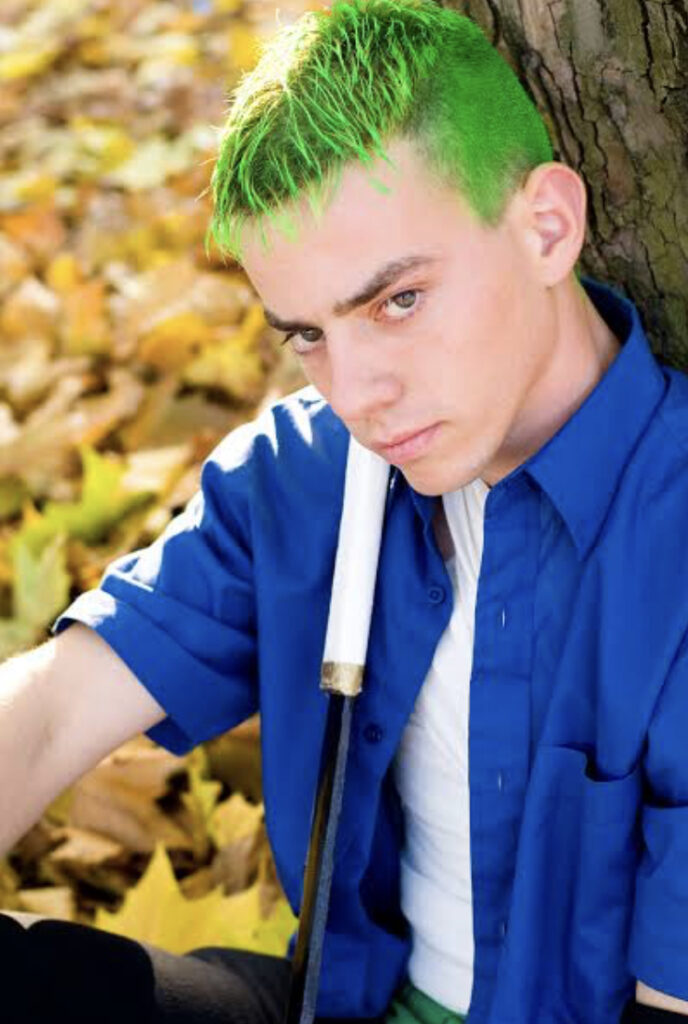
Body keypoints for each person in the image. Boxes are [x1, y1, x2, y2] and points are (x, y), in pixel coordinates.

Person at [0, 0, 686, 1021]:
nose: (358, 393)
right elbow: (54, 710)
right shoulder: (309, 473)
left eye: (397, 301)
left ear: (547, 226)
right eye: (309, 336)